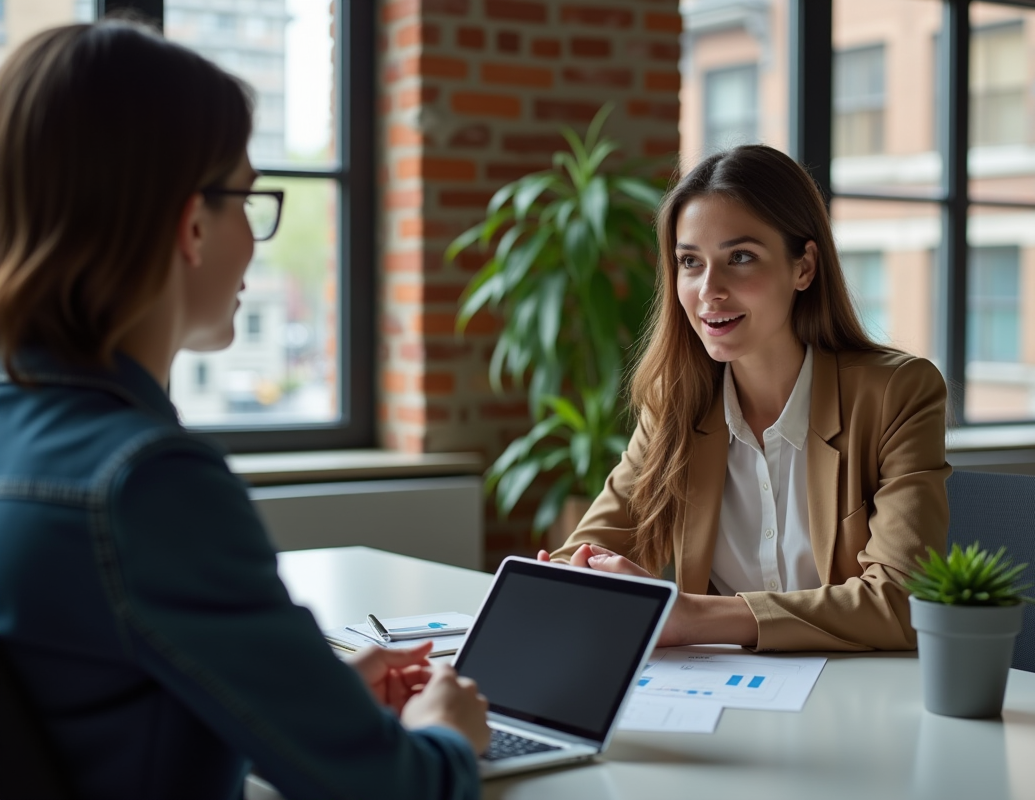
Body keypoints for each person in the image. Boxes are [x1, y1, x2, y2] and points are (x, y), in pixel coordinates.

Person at [0, 20, 488, 800]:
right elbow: (394, 790)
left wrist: (308, 696)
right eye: (248, 200)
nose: (253, 240)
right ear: (192, 223)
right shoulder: (148, 485)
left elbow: (102, 711)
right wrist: (446, 735)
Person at [541, 145, 951, 653]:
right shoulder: (678, 400)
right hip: (727, 695)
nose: (709, 289)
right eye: (690, 262)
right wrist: (579, 577)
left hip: (861, 699)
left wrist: (690, 616)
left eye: (740, 258)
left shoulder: (897, 393)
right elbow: (587, 550)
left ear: (803, 267)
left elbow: (901, 601)